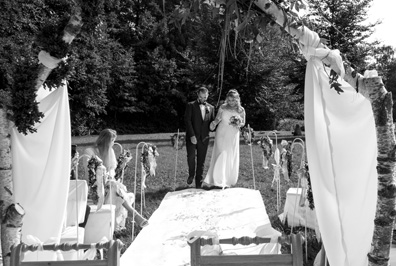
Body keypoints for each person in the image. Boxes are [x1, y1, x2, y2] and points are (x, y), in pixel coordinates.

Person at [83, 129, 148, 230]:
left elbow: (112, 170)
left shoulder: (110, 151)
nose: (113, 143)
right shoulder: (89, 151)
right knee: (114, 187)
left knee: (114, 186)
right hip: (94, 187)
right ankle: (135, 215)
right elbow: (89, 173)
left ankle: (134, 215)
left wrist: (109, 176)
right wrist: (104, 177)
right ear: (107, 141)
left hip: (109, 185)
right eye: (112, 140)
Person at [203, 89, 245, 188]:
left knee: (229, 154)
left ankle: (227, 179)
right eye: (229, 100)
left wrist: (238, 122)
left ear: (237, 100)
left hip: (233, 134)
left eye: (233, 101)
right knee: (221, 153)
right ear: (227, 99)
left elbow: (243, 123)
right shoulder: (223, 107)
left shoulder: (241, 110)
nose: (231, 102)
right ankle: (218, 180)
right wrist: (213, 124)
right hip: (221, 132)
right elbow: (218, 118)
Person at [184, 87, 216, 188]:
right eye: (201, 97)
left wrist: (213, 126)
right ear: (198, 95)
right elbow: (187, 121)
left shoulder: (211, 108)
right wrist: (192, 135)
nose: (203, 99)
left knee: (201, 161)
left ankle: (199, 182)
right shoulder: (190, 105)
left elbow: (212, 123)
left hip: (204, 138)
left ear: (208, 96)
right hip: (192, 137)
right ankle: (191, 174)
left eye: (205, 97)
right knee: (191, 157)